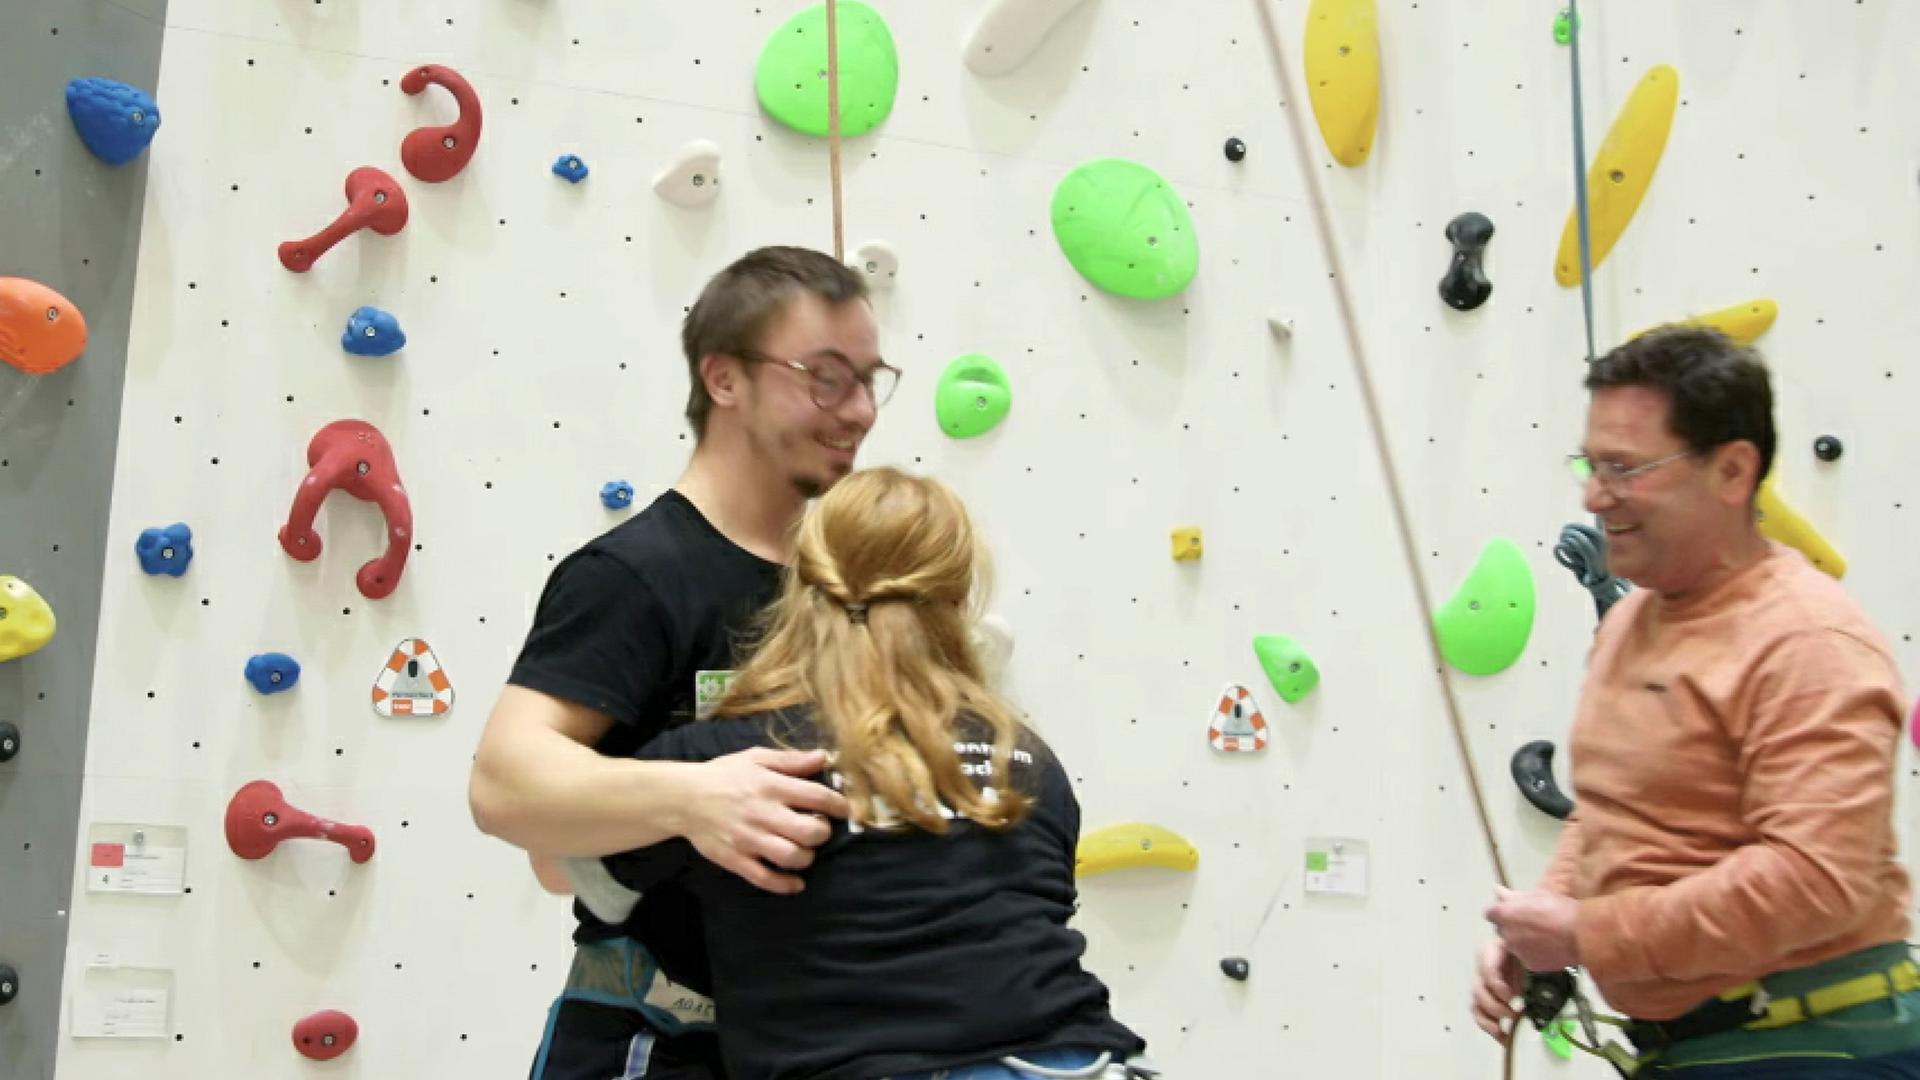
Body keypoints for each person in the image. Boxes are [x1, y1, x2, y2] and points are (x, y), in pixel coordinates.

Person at [468, 245, 903, 1080]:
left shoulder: (840, 583)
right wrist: (698, 796)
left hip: (809, 1044)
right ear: (725, 380)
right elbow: (503, 785)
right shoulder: (637, 575)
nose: (859, 411)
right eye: (826, 377)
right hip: (656, 1045)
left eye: (870, 380)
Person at [566, 466, 1150, 1080]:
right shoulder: (1025, 756)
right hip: (1084, 1062)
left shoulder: (725, 763)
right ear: (956, 604)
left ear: (802, 594)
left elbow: (592, 885)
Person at [1473, 326, 1920, 1077]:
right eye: (1589, 463)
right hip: (1702, 1049)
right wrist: (1539, 928)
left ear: (1732, 471)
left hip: (1820, 1048)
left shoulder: (1807, 638)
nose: (1594, 493)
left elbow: (1814, 882)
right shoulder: (1627, 625)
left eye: (1625, 467)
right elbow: (1612, 812)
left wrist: (1586, 932)